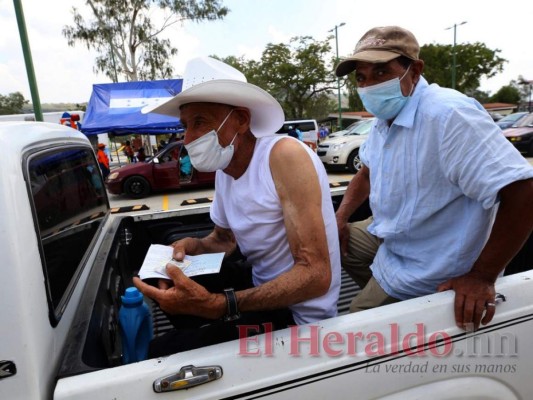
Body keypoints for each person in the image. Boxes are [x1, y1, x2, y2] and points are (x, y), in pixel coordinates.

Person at [133, 56, 341, 356]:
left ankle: (210, 337)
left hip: (299, 315)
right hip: (262, 284)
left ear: (241, 120)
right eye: (185, 125)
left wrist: (219, 306)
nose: (188, 138)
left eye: (200, 122)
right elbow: (225, 239)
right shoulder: (226, 170)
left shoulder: (283, 155)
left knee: (161, 353)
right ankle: (208, 334)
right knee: (164, 273)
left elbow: (315, 275)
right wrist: (194, 245)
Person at [334, 26, 533, 332]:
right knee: (333, 239)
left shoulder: (449, 115)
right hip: (396, 239)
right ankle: (411, 312)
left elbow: (524, 192)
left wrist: (482, 276)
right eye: (361, 77)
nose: (369, 85)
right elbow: (366, 172)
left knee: (356, 327)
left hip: (430, 262)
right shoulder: (383, 122)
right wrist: (340, 216)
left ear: (414, 71)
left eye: (381, 72)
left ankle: (413, 304)